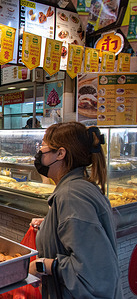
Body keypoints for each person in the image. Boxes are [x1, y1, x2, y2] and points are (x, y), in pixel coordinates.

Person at [29, 122, 122, 298]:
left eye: (42, 146)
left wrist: (42, 265)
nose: (39, 152)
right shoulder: (79, 187)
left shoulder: (72, 196)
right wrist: (51, 225)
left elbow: (93, 275)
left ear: (60, 153)